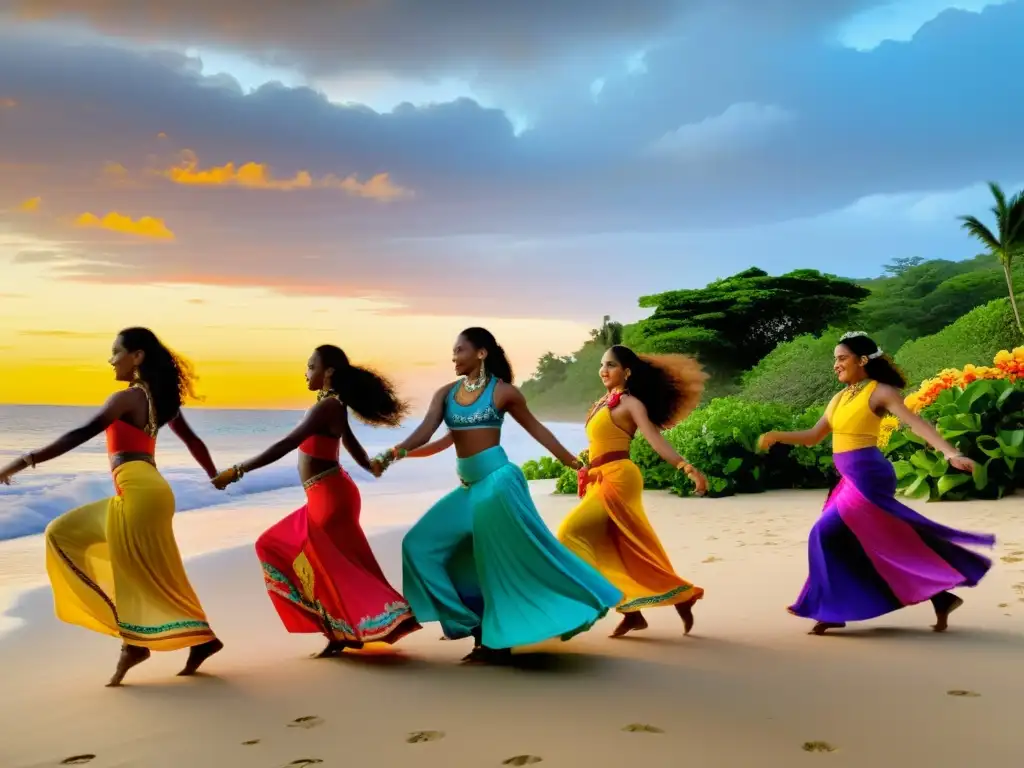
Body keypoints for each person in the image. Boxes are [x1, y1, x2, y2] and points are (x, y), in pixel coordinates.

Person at [373, 327, 623, 664]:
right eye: (453, 351)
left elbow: (537, 429)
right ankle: (468, 621)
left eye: (460, 350)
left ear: (481, 353)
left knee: (493, 564)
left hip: (498, 485)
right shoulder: (446, 394)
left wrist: (574, 463)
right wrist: (394, 453)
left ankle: (495, 638)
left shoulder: (504, 393)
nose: (454, 357)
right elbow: (428, 432)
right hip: (468, 489)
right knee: (419, 545)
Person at [0, 328, 223, 686]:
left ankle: (134, 644)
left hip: (138, 492)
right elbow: (193, 441)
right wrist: (214, 475)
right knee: (148, 567)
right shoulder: (163, 401)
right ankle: (202, 640)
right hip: (150, 491)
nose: (112, 360)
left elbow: (81, 433)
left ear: (137, 357)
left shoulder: (126, 398)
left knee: (124, 564)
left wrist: (22, 461)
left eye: (116, 352)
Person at [757, 332, 995, 635]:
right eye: (835, 359)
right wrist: (778, 435)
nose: (836, 365)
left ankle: (832, 608)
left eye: (842, 358)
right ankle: (940, 596)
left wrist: (951, 453)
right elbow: (813, 436)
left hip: (868, 476)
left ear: (863, 360)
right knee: (866, 540)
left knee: (824, 532)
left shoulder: (880, 391)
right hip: (847, 479)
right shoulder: (839, 398)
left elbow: (915, 422)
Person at [212, 345, 420, 656]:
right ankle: (343, 631)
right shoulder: (332, 406)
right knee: (297, 553)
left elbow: (288, 443)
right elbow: (352, 446)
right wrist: (371, 465)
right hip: (329, 493)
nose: (306, 372)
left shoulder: (327, 407)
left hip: (330, 495)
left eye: (311, 366)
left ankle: (352, 630)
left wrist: (238, 469)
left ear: (329, 373)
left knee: (327, 563)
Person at [557, 346, 710, 638]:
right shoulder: (602, 403)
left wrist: (687, 468)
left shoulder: (630, 404)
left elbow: (655, 439)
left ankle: (588, 608)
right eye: (602, 365)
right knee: (614, 547)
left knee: (569, 533)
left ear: (626, 372)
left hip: (619, 477)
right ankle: (636, 610)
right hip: (599, 479)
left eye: (611, 365)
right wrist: (583, 468)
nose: (604, 370)